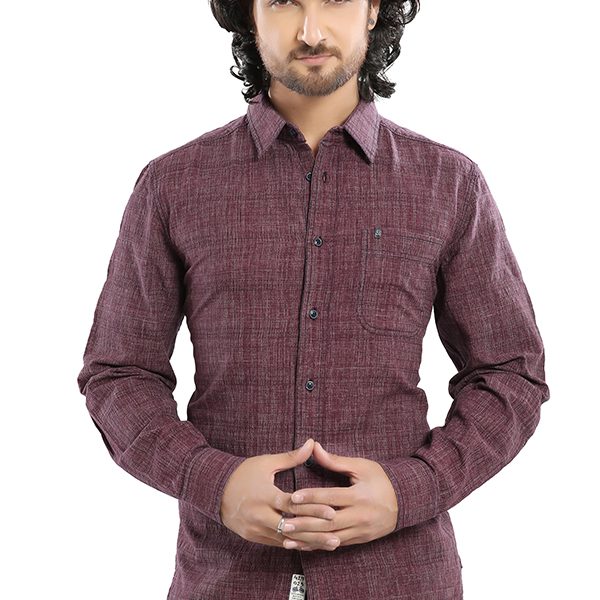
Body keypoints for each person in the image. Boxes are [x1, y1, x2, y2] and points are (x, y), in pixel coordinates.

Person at [76, 0, 550, 598]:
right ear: (249, 14)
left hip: (400, 580)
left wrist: (412, 489)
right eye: (283, 1)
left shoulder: (449, 184)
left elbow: (511, 373)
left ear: (373, 10)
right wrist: (213, 481)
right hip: (225, 580)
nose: (310, 30)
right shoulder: (174, 184)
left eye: (335, 0)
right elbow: (118, 374)